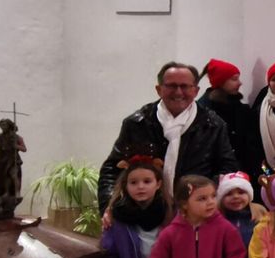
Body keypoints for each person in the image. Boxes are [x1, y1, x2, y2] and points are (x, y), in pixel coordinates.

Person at [99, 62, 239, 211]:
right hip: (144, 213)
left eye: (185, 86)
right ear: (159, 89)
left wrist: (204, 196)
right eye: (171, 86)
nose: (178, 92)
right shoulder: (137, 123)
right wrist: (109, 206)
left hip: (196, 214)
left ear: (196, 91)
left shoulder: (213, 125)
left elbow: (227, 168)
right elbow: (112, 169)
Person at [198, 59, 260, 178]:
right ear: (220, 82)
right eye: (234, 79)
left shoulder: (242, 110)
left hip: (241, 175)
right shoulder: (203, 111)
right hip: (213, 176)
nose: (240, 83)